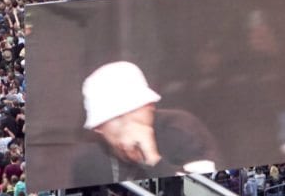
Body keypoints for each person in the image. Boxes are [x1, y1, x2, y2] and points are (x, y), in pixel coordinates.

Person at [78, 61, 218, 180]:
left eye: (134, 110)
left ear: (150, 106)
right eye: (117, 117)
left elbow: (206, 193)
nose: (129, 123)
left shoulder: (181, 129)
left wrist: (153, 160)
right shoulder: (88, 162)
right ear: (99, 127)